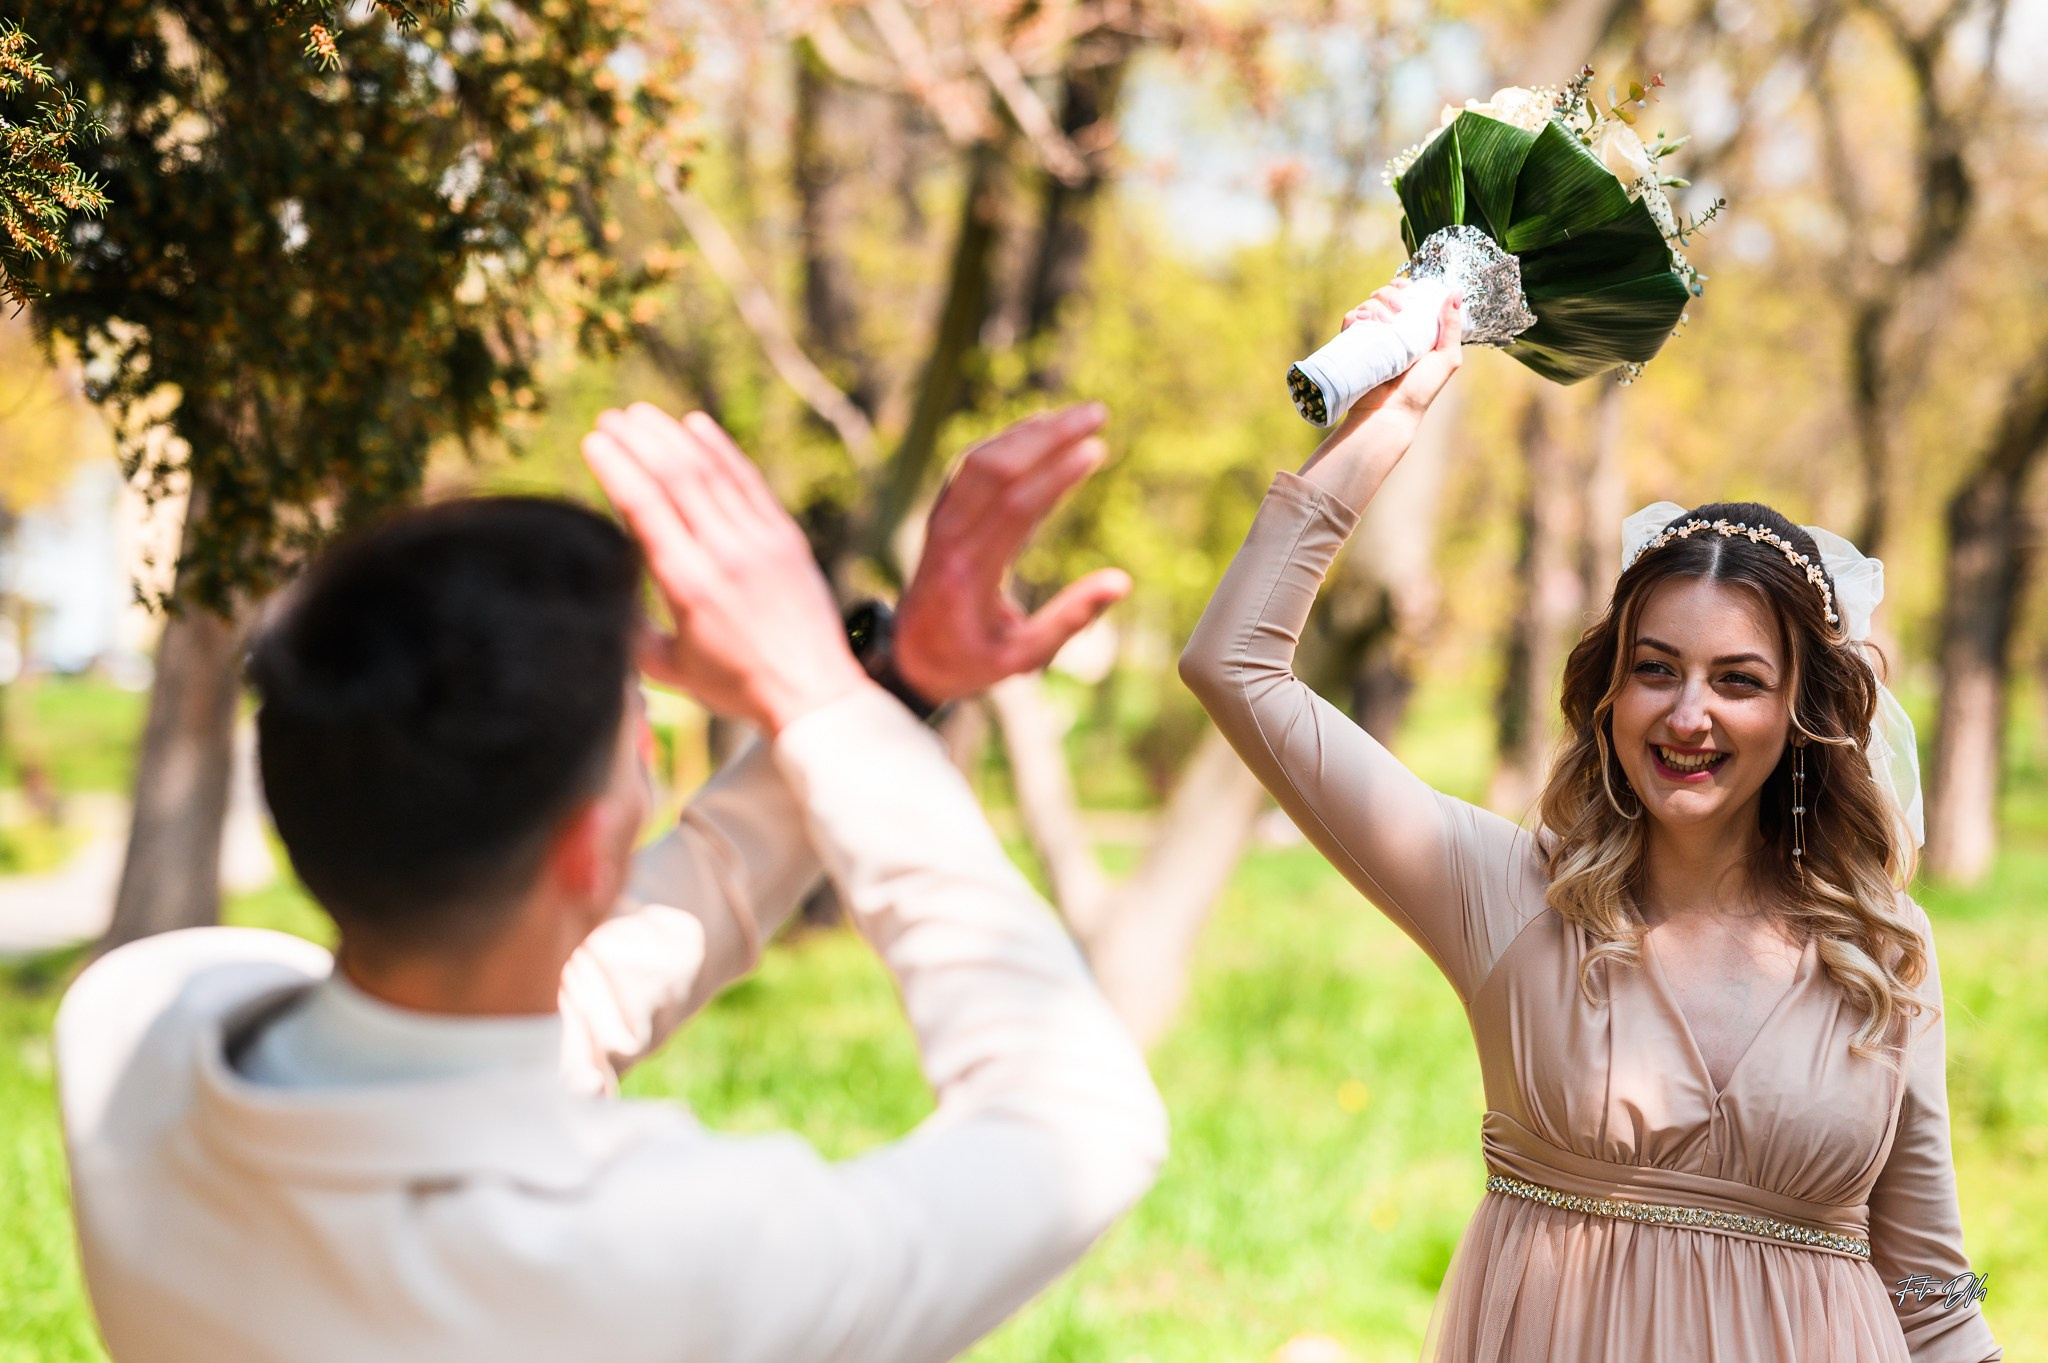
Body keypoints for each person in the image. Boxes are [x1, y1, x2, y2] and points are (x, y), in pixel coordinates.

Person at [54, 402, 1167, 1363]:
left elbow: (534, 1015)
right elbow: (1079, 1121)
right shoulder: (664, 1257)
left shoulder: (136, 1031)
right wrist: (819, 702)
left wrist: (881, 688)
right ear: (592, 847)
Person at [1179, 282, 2002, 1361]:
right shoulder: (1505, 893)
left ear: (1800, 714)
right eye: (1655, 668)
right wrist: (1386, 419)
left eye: (1738, 679)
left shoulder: (1880, 947)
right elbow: (1234, 664)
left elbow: (1931, 1294)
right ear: (1607, 691)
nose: (1688, 713)